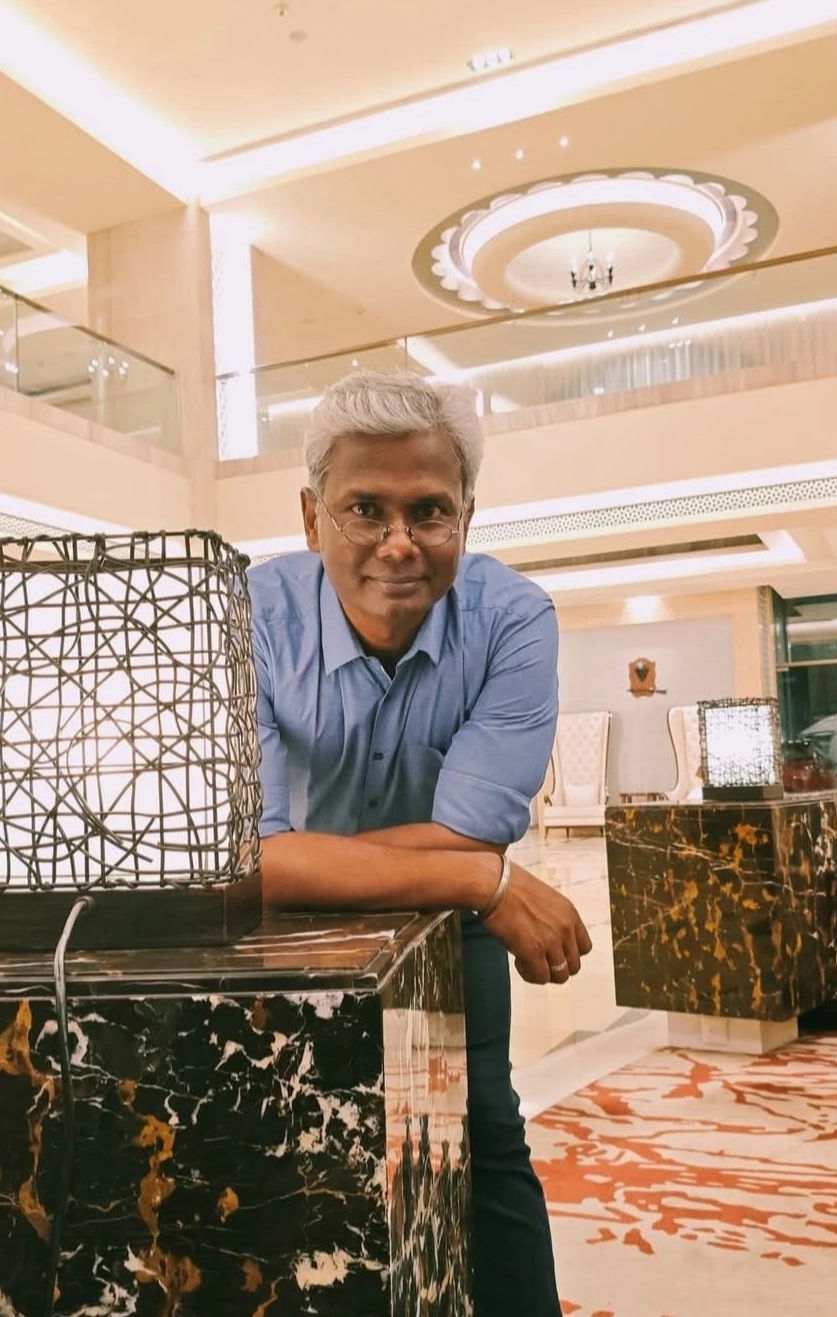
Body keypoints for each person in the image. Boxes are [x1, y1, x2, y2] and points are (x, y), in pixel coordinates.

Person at [249, 369, 591, 1317]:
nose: (399, 543)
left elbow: (298, 851)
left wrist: (319, 858)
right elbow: (252, 865)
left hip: (445, 913)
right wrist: (484, 876)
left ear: (465, 517)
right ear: (312, 514)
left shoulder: (513, 618)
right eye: (366, 508)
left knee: (482, 1134)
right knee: (287, 1141)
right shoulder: (250, 615)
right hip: (309, 920)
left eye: (428, 511)